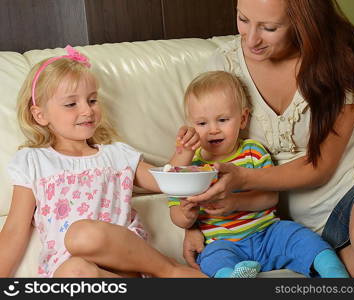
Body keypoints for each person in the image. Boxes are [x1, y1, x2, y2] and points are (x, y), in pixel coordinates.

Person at [184, 0, 354, 277]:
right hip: (317, 225)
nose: (251, 39)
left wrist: (243, 177)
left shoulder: (337, 60)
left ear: (302, 22)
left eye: (269, 27)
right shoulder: (224, 66)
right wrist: (193, 224)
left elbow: (320, 166)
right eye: (243, 19)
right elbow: (205, 160)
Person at [0, 45, 206, 278]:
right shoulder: (33, 161)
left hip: (127, 261)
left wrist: (184, 152)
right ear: (40, 115)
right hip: (72, 272)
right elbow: (15, 230)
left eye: (92, 100)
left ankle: (170, 270)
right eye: (71, 104)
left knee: (83, 234)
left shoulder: (116, 155)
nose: (87, 110)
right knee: (75, 270)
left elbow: (165, 182)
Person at [169, 70, 349, 278]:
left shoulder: (253, 152)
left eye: (223, 120)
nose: (213, 130)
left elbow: (270, 196)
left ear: (243, 119)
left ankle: (334, 273)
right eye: (202, 123)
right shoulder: (191, 167)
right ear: (191, 126)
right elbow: (175, 211)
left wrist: (236, 202)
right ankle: (233, 277)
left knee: (300, 237)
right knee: (211, 258)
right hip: (223, 243)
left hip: (267, 233)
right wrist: (187, 218)